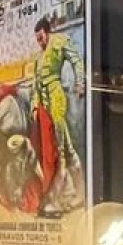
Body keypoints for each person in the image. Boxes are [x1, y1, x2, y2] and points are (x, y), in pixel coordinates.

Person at [28, 16, 85, 215]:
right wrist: (34, 106)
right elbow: (36, 83)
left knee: (62, 147)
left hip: (57, 97)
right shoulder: (38, 57)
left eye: (41, 38)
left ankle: (68, 196)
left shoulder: (59, 42)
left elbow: (76, 60)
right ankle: (69, 195)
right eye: (37, 39)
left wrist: (80, 82)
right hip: (44, 106)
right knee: (57, 148)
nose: (40, 42)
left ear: (47, 32)